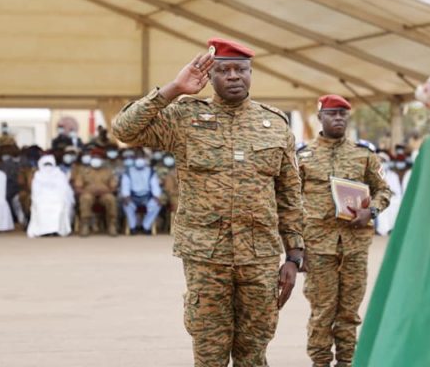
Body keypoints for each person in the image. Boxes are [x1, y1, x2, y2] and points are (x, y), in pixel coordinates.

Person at [111, 37, 304, 367]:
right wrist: (174, 89)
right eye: (223, 70)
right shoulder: (185, 118)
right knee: (209, 352)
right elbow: (124, 130)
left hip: (259, 256)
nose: (233, 76)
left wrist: (295, 255)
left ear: (251, 73)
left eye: (240, 69)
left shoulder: (275, 125)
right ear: (210, 76)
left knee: (254, 350)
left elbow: (289, 193)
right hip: (206, 256)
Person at [298, 94, 391, 367]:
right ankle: (320, 362)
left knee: (349, 311)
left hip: (354, 245)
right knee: (322, 310)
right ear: (320, 117)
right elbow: (289, 200)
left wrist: (371, 211)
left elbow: (384, 190)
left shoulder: (364, 155)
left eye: (342, 114)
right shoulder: (303, 157)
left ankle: (347, 361)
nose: (338, 118)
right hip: (318, 245)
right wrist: (295, 246)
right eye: (332, 114)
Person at [73, 148, 118, 237]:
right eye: (94, 157)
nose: (96, 159)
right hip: (88, 194)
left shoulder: (108, 172)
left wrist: (106, 191)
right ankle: (85, 225)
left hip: (104, 194)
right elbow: (78, 187)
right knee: (85, 198)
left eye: (98, 158)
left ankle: (111, 225)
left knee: (110, 199)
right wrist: (87, 191)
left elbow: (114, 187)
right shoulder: (84, 171)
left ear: (102, 160)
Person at [120, 149, 162, 235]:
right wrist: (126, 196)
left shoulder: (150, 171)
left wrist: (157, 196)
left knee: (156, 205)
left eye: (141, 157)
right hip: (133, 196)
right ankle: (133, 227)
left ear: (144, 158)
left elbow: (155, 185)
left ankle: (146, 226)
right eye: (137, 157)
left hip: (147, 196)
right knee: (127, 205)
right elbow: (125, 185)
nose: (139, 159)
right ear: (134, 159)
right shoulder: (128, 171)